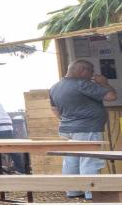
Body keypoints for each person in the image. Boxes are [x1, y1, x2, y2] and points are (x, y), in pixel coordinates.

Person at [50, 60, 117, 197]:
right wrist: (104, 82)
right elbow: (111, 96)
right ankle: (91, 193)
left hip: (67, 129)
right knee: (89, 159)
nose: (93, 74)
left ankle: (73, 191)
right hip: (87, 129)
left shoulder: (55, 87)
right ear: (82, 70)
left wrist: (67, 120)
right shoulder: (82, 84)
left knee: (71, 160)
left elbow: (54, 109)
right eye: (91, 71)